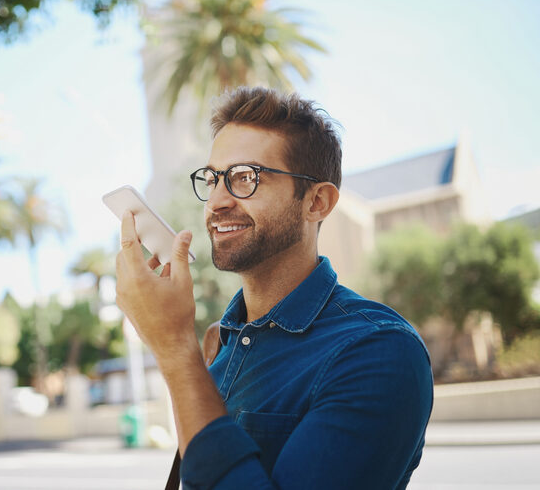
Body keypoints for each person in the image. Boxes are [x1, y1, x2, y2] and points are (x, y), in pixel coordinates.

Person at [115, 86, 433, 489]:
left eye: (244, 178)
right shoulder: (218, 345)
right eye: (212, 179)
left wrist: (176, 349)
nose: (215, 202)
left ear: (316, 202)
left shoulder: (380, 349)